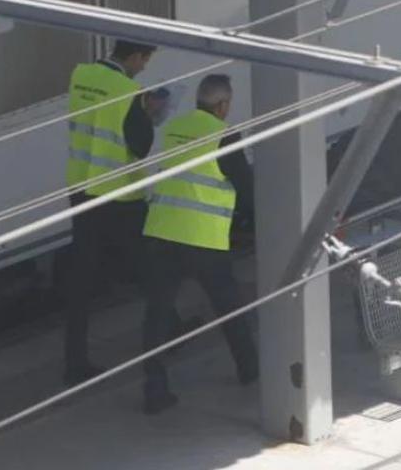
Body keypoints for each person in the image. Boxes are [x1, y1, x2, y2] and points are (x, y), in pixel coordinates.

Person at [140, 74, 259, 414]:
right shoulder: (224, 136)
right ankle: (249, 371)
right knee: (228, 305)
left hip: (161, 229)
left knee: (157, 312)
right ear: (223, 105)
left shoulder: (174, 129)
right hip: (202, 237)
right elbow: (247, 189)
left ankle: (155, 388)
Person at [62, 39, 161, 386]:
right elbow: (140, 145)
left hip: (80, 187)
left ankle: (73, 362)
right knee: (150, 267)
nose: (144, 67)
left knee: (81, 278)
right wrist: (149, 116)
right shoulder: (128, 90)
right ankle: (167, 336)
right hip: (119, 195)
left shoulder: (81, 75)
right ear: (135, 56)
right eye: (145, 60)